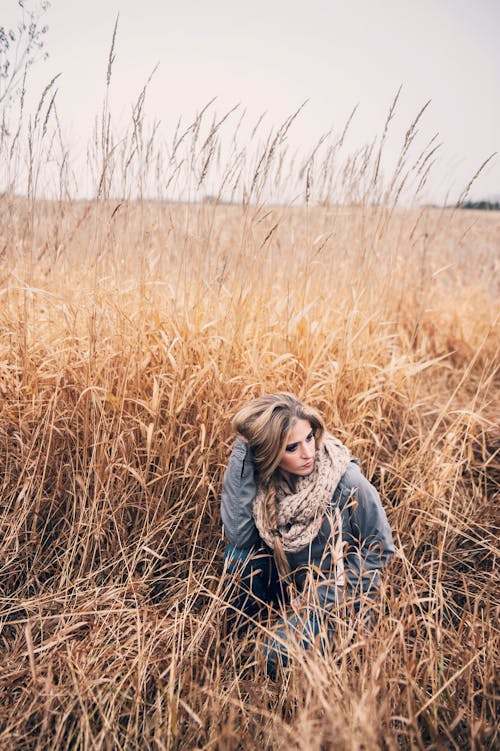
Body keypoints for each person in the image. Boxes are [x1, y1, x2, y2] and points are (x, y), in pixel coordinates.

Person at [220, 392, 394, 676]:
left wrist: (319, 597)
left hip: (335, 598)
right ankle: (243, 638)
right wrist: (243, 448)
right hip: (289, 584)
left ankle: (271, 651)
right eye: (292, 448)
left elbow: (380, 550)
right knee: (239, 555)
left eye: (310, 438)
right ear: (270, 454)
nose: (308, 453)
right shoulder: (267, 483)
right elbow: (240, 535)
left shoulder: (346, 483)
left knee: (270, 657)